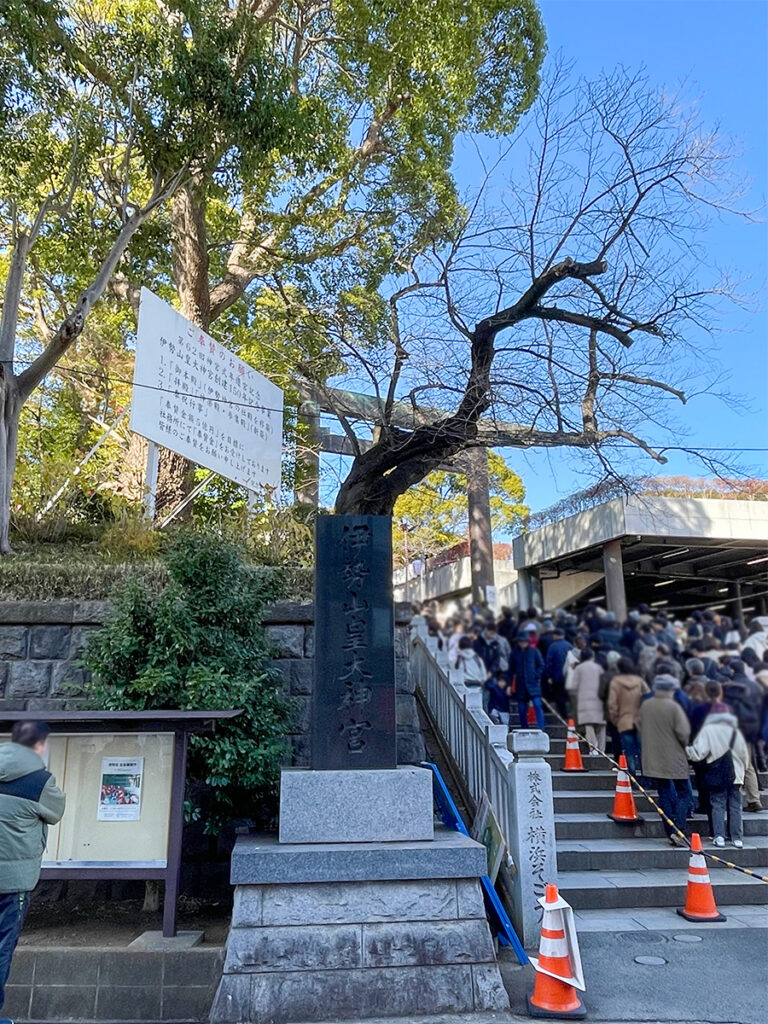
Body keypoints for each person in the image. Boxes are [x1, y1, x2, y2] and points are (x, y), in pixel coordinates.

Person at [0, 722, 66, 1018]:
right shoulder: (39, 780)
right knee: (2, 948)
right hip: (13, 884)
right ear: (39, 745)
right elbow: (56, 810)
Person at [638, 675, 691, 846]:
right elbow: (683, 733)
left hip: (653, 757)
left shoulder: (646, 705)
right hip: (674, 755)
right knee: (684, 792)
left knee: (664, 793)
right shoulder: (673, 707)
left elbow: (639, 726)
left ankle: (670, 831)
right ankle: (679, 829)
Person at [686, 709, 749, 848]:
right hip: (736, 774)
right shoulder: (736, 731)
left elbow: (698, 753)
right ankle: (737, 838)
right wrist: (742, 771)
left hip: (717, 774)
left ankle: (719, 836)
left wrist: (685, 751)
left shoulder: (709, 730)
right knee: (735, 806)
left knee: (717, 804)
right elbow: (744, 755)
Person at [607, 657, 648, 778]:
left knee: (629, 752)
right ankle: (646, 779)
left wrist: (616, 720)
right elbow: (648, 697)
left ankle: (632, 778)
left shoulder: (615, 682)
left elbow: (612, 704)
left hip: (624, 721)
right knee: (642, 752)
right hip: (640, 721)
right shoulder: (640, 681)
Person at [571, 649, 606, 753]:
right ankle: (601, 749)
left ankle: (593, 748)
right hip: (599, 699)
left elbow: (574, 686)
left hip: (584, 700)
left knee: (589, 725)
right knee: (601, 726)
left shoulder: (579, 668)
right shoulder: (598, 667)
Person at [510, 633, 545, 730]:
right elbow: (511, 670)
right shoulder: (514, 653)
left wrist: (536, 675)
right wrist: (509, 684)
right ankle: (524, 727)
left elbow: (541, 665)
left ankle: (541, 727)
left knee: (537, 705)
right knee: (521, 709)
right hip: (520, 684)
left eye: (524, 642)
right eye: (521, 642)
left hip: (533, 683)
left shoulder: (534, 651)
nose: (522, 643)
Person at [543, 628, 573, 718]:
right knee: (568, 696)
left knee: (559, 697)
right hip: (568, 676)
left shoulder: (552, 647)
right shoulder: (569, 646)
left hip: (556, 676)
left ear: (554, 635)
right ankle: (570, 714)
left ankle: (563, 716)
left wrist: (548, 675)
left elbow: (548, 662)